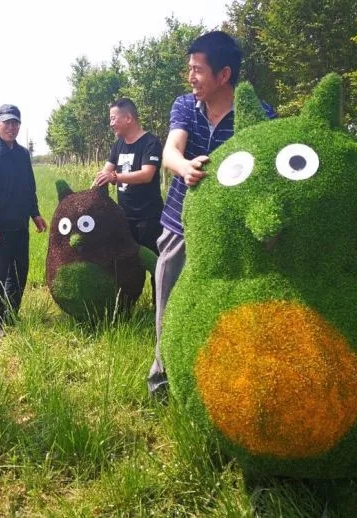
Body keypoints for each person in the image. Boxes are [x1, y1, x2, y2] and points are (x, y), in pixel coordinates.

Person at [146, 31, 276, 396]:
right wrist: (184, 168)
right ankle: (163, 380)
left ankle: (220, 385)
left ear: (224, 75)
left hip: (229, 231)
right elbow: (172, 149)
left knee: (225, 308)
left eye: (198, 70)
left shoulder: (258, 113)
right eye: (190, 69)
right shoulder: (186, 105)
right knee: (168, 304)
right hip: (179, 224)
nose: (191, 77)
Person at [0, 104, 47, 337]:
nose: (11, 127)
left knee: (19, 271)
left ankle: (12, 314)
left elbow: (28, 188)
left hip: (20, 223)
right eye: (7, 123)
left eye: (15, 123)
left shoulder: (22, 154)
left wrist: (35, 214)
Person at [93, 98, 164, 304]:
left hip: (149, 218)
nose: (111, 123)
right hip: (125, 218)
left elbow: (147, 174)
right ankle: (126, 307)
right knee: (127, 264)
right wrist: (99, 183)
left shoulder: (150, 143)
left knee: (155, 264)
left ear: (128, 118)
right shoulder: (118, 145)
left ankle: (159, 310)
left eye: (114, 118)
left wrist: (115, 177)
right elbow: (107, 170)